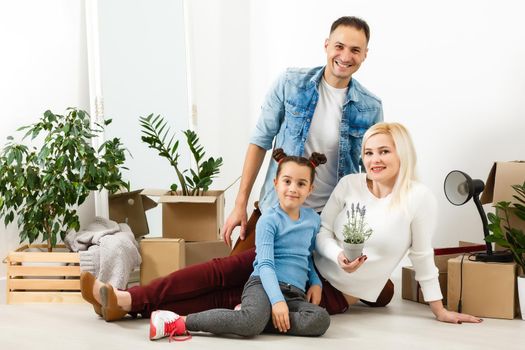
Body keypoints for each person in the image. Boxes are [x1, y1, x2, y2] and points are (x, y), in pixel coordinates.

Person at [222, 15, 383, 252]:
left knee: (377, 289)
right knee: (234, 271)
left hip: (329, 220)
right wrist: (240, 204)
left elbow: (373, 171)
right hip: (277, 207)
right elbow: (260, 141)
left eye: (355, 50)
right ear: (326, 45)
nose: (346, 56)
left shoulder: (370, 107)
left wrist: (367, 224)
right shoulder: (290, 84)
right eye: (339, 46)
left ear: (365, 55)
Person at [148, 149, 330, 340]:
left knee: (320, 319)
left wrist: (316, 283)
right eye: (287, 181)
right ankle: (179, 322)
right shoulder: (268, 221)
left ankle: (252, 317)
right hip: (263, 285)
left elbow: (307, 256)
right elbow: (266, 265)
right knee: (251, 324)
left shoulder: (312, 220)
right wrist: (276, 301)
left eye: (301, 184)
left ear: (310, 189)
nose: (293, 188)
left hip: (294, 294)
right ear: (275, 184)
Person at [314, 122, 483, 323]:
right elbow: (322, 231)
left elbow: (422, 256)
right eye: (368, 153)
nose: (374, 160)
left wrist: (440, 310)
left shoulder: (419, 198)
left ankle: (377, 290)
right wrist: (338, 255)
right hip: (310, 271)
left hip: (338, 290)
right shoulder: (349, 184)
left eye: (384, 151)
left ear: (402, 154)